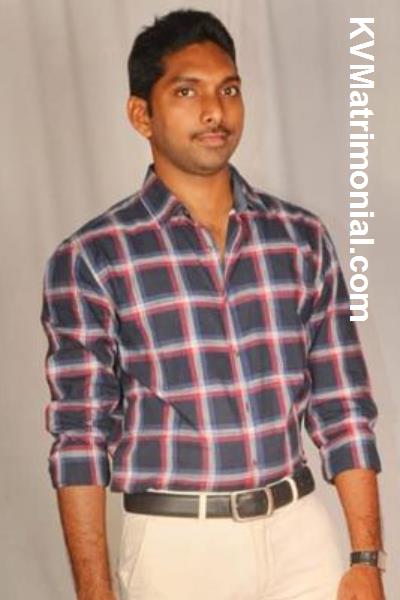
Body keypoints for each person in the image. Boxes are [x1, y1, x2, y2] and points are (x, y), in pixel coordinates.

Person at [41, 9, 385, 600]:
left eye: (228, 89)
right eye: (186, 91)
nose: (214, 111)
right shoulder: (93, 258)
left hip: (300, 535)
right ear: (141, 115)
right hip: (179, 549)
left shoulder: (301, 238)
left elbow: (343, 403)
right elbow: (80, 437)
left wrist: (365, 557)